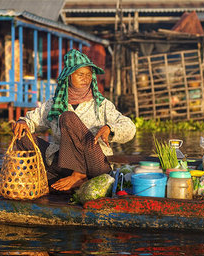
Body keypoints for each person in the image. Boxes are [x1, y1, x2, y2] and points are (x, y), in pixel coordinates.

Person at [12, 49, 136, 191]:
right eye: (80, 74)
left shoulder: (101, 104)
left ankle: (80, 176)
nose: (86, 78)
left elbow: (129, 127)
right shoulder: (55, 104)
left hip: (95, 164)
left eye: (89, 75)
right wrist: (23, 122)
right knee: (21, 135)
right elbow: (33, 120)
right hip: (64, 165)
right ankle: (61, 178)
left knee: (67, 117)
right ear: (69, 76)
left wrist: (110, 128)